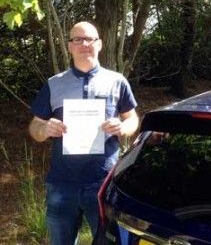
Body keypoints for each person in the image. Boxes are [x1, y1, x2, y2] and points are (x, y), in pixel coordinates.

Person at [28, 21, 139, 244]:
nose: (84, 44)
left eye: (89, 39)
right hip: (62, 183)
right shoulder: (54, 84)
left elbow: (133, 119)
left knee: (108, 241)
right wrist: (45, 129)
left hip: (104, 182)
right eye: (77, 39)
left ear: (100, 44)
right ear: (69, 46)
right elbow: (34, 128)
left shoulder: (117, 81)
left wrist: (123, 127)